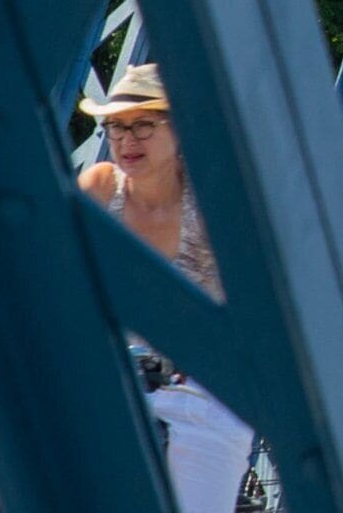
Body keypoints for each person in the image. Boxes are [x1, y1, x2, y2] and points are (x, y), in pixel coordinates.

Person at [75, 65, 253, 513]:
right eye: (115, 126)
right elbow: (48, 271)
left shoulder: (212, 200)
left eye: (143, 125)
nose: (125, 140)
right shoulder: (100, 187)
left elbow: (257, 301)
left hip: (204, 388)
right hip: (115, 385)